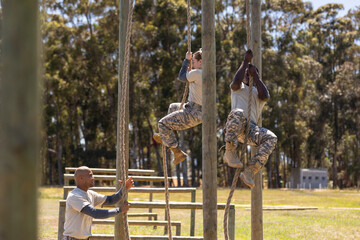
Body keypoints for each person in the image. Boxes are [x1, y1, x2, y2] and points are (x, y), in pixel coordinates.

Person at [224, 49, 277, 188]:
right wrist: (246, 61)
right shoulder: (238, 88)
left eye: (250, 75)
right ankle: (230, 151)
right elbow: (235, 81)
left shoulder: (258, 92)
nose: (248, 77)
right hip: (237, 126)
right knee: (239, 113)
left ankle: (250, 171)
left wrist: (256, 76)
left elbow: (265, 96)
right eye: (246, 75)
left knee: (272, 137)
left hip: (251, 130)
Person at [154, 49, 202, 165]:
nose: (193, 64)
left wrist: (186, 60)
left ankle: (177, 152)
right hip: (194, 109)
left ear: (200, 62)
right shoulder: (203, 74)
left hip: (193, 112)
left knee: (162, 123)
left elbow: (181, 77)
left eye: (194, 62)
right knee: (172, 107)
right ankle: (168, 136)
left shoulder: (198, 73)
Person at [63, 166, 134, 240]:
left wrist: (124, 188)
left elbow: (111, 200)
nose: (93, 178)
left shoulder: (91, 194)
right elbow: (94, 213)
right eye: (90, 175)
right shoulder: (74, 196)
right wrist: (119, 210)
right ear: (81, 178)